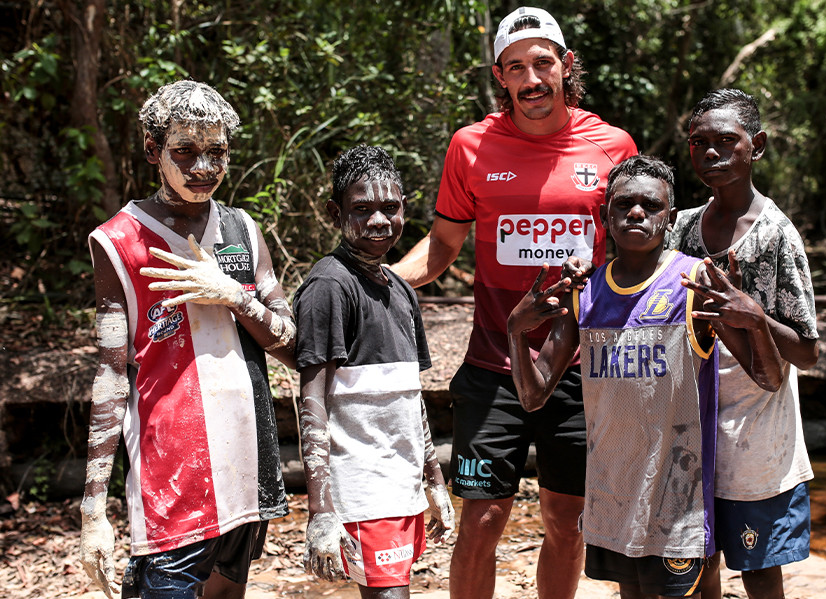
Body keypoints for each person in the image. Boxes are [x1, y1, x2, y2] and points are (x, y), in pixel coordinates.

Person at [390, 7, 637, 598]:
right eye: (516, 67)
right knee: (479, 523)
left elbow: (635, 249)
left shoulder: (612, 146)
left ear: (565, 66)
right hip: (492, 369)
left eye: (543, 63)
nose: (532, 79)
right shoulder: (471, 147)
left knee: (566, 522)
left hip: (581, 370)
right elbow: (445, 243)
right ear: (500, 76)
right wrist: (370, 283)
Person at [508, 154, 784, 599]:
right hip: (614, 498)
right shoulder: (586, 292)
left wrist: (754, 320)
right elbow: (533, 395)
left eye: (651, 206)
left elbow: (768, 378)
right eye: (624, 204)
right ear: (605, 215)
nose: (637, 213)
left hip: (679, 497)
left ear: (669, 218)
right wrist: (515, 333)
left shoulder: (694, 283)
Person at [79, 80, 296, 599]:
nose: (204, 167)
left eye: (216, 151)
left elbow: (293, 344)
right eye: (186, 151)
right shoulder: (119, 241)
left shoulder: (243, 230)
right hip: (171, 476)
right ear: (154, 151)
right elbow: (111, 375)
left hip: (249, 461)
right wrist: (92, 510)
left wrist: (235, 296)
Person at [667, 88, 820, 599]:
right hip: (692, 422)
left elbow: (808, 350)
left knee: (759, 566)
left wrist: (756, 317)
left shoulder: (776, 236)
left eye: (726, 141)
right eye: (699, 142)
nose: (711, 153)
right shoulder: (681, 228)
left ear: (757, 146)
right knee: (698, 557)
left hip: (757, 428)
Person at [292, 145, 456, 598]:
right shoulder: (330, 285)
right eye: (362, 209)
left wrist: (434, 483)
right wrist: (321, 511)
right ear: (335, 213)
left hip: (401, 485)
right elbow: (311, 404)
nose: (379, 221)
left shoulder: (401, 289)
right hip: (363, 488)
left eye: (390, 208)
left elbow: (411, 399)